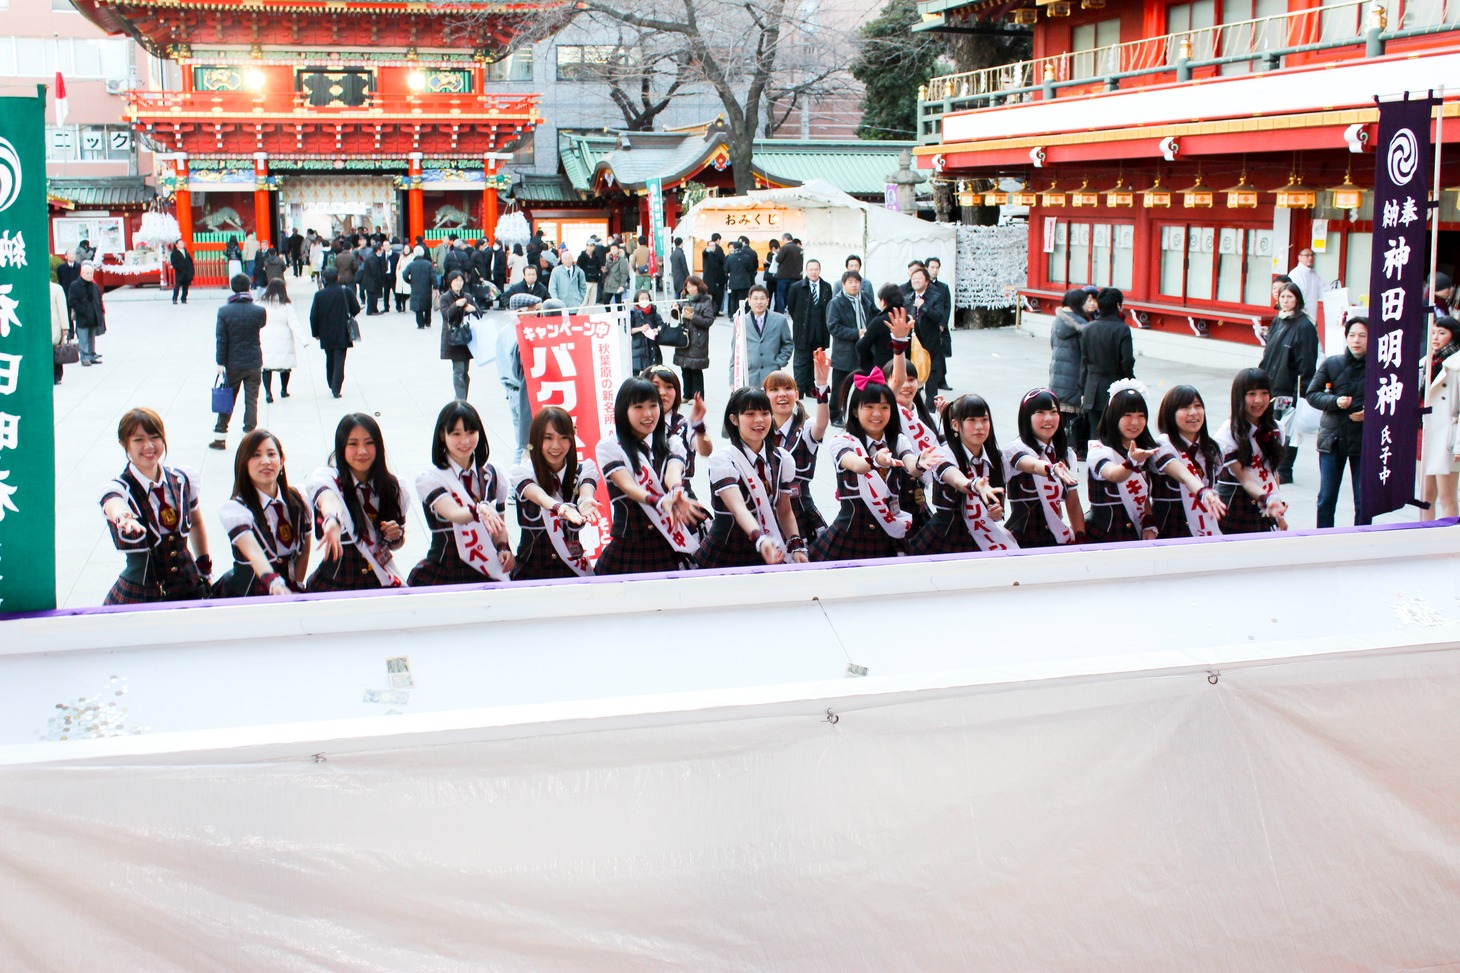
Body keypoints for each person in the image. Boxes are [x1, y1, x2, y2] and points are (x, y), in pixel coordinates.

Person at [810, 366, 936, 561]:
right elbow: (856, 464)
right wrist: (875, 460)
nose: (877, 413)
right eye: (869, 407)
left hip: (890, 534)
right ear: (854, 411)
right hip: (852, 533)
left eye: (884, 407)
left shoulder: (898, 440)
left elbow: (910, 463)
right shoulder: (842, 442)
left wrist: (920, 463)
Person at [98, 407, 213, 604]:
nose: (149, 446)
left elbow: (196, 523)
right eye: (138, 439)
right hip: (142, 594)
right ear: (123, 444)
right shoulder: (120, 487)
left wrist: (204, 567)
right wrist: (123, 517)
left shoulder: (182, 479)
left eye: (155, 437)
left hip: (189, 585)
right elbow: (113, 502)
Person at [594, 377, 706, 575]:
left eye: (653, 406)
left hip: (670, 546)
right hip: (630, 547)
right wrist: (661, 501)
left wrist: (676, 491)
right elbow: (628, 486)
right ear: (623, 411)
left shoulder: (671, 443)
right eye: (638, 407)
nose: (648, 414)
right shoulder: (610, 447)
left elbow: (673, 471)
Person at [1085, 382, 1221, 543]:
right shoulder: (1099, 451)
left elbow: (1144, 498)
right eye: (1127, 415)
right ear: (1113, 417)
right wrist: (1131, 463)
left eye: (1141, 416)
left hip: (1141, 535)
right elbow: (1113, 474)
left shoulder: (1147, 450)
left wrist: (1149, 524)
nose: (1135, 422)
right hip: (1104, 536)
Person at [697, 386, 808, 568]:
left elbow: (785, 510)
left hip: (769, 549)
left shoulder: (782, 459)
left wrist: (796, 545)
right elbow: (738, 508)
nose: (759, 420)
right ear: (733, 419)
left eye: (765, 413)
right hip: (727, 551)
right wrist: (760, 539)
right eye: (749, 414)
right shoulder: (723, 460)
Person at [408, 400, 514, 586]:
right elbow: (455, 514)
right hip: (443, 571)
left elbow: (499, 527)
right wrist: (480, 509)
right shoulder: (430, 478)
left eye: (471, 432)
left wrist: (503, 548)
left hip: (485, 571)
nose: (465, 441)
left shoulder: (493, 474)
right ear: (443, 435)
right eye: (456, 433)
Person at [304, 415, 409, 591]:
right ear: (341, 447)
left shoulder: (393, 487)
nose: (362, 451)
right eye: (353, 444)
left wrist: (396, 535)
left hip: (378, 580)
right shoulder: (329, 480)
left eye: (369, 443)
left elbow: (396, 544)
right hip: (336, 582)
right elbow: (328, 499)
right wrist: (332, 520)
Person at [907, 394, 1017, 556]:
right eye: (971, 420)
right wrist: (972, 485)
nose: (979, 426)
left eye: (984, 420)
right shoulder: (942, 454)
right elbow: (955, 478)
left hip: (980, 535)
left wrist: (996, 511)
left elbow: (996, 510)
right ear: (955, 425)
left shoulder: (996, 459)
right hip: (944, 537)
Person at [213, 429, 312, 597]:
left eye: (271, 454)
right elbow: (253, 551)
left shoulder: (298, 499)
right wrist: (273, 582)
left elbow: (304, 551)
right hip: (246, 595)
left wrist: (297, 584)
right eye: (256, 455)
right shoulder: (236, 510)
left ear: (282, 461)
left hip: (287, 592)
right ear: (244, 463)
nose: (265, 461)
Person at [509, 406, 602, 580]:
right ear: (536, 439)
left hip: (572, 571)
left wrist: (585, 500)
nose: (556, 446)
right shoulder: (522, 474)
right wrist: (560, 507)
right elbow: (539, 496)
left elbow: (586, 491)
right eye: (548, 438)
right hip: (530, 572)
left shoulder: (583, 471)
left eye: (563, 438)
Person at [1306, 316, 1369, 529]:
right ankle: (1323, 538)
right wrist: (1335, 402)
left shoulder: (1380, 367)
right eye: (1352, 335)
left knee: (1364, 499)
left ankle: (1362, 538)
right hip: (1333, 438)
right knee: (1327, 497)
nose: (1356, 340)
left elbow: (1390, 401)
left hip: (1363, 441)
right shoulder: (1332, 363)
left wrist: (1370, 413)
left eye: (1362, 335)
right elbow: (1312, 394)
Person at [1001, 388, 1086, 548]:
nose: (1049, 419)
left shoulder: (1066, 455)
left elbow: (1073, 503)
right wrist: (1051, 469)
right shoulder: (1014, 450)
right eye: (1040, 412)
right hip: (1021, 541)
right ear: (1027, 417)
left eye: (1053, 412)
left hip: (1056, 538)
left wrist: (1080, 538)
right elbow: (1030, 464)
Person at [765, 352, 832, 538]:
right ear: (765, 395)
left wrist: (821, 387)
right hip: (768, 512)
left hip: (800, 511)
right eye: (774, 389)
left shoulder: (806, 428)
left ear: (796, 393)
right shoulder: (760, 430)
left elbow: (821, 423)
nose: (781, 394)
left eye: (787, 388)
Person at [1215, 368, 1289, 533]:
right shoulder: (1227, 433)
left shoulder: (1277, 429)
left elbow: (1273, 474)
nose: (1259, 400)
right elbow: (1245, 479)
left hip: (1266, 508)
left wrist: (1279, 514)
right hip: (1236, 508)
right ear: (1239, 397)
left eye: (1264, 393)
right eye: (1251, 394)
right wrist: (1268, 499)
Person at [1259, 281, 1319, 482]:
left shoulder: (1304, 326)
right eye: (1282, 297)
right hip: (1271, 384)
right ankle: (1271, 465)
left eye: (1290, 297)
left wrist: (1299, 392)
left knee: (1288, 431)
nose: (1285, 301)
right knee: (1269, 426)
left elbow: (1307, 363)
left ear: (1298, 300)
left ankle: (1285, 470)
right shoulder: (1279, 320)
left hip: (1290, 386)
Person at [1153, 385, 1228, 538]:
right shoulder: (1162, 445)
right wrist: (1203, 492)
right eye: (1185, 407)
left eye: (1197, 406)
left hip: (1205, 527)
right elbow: (1183, 474)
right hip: (1170, 529)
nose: (1193, 413)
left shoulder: (1213, 449)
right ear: (1170, 413)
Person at [209, 273, 266, 450]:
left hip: (232, 363)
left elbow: (221, 339)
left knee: (228, 400)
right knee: (251, 400)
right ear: (249, 287)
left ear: (233, 288)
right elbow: (261, 325)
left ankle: (220, 437)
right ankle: (249, 435)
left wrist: (220, 363)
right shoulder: (258, 311)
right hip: (254, 362)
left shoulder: (224, 311)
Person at [643, 364, 711, 501]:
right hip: (644, 499)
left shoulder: (684, 425)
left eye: (669, 387)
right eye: (656, 386)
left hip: (681, 497)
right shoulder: (635, 425)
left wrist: (699, 425)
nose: (663, 392)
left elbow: (705, 449)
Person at [1079, 287, 1135, 444]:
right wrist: (1130, 381)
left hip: (1092, 386)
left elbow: (1084, 362)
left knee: (1094, 433)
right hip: (1114, 384)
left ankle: (1094, 465)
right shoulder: (1122, 329)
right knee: (1114, 432)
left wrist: (1082, 387)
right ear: (1118, 305)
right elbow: (1127, 361)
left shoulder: (1088, 329)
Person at [1050, 288, 1096, 459]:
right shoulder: (1082, 326)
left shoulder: (1057, 322)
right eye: (1086, 300)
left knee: (1063, 415)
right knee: (1075, 416)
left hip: (1058, 375)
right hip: (1074, 376)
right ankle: (1075, 448)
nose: (1089, 304)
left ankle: (1062, 446)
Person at [1422, 315, 1460, 519]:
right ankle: (1424, 538)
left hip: (1447, 437)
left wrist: (1459, 445)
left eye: (1442, 333)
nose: (1436, 337)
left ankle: (1451, 541)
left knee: (1447, 497)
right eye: (1434, 332)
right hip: (1425, 434)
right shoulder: (1426, 362)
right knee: (1425, 495)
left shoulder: (1456, 365)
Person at [826, 271, 875, 427]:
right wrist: (856, 333)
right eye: (850, 282)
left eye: (856, 282)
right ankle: (835, 415)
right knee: (840, 386)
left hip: (864, 351)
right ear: (843, 284)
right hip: (844, 352)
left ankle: (858, 413)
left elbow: (875, 315)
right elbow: (833, 327)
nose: (854, 285)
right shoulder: (836, 302)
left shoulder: (865, 299)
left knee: (863, 384)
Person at [307, 266, 359, 400]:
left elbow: (314, 316)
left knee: (329, 358)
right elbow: (356, 308)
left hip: (326, 332)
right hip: (342, 330)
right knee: (340, 359)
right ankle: (336, 387)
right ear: (338, 277)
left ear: (324, 279)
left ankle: (331, 382)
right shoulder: (345, 291)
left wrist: (315, 332)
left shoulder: (319, 295)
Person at [730, 285, 793, 388]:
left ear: (767, 301)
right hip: (749, 376)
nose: (759, 302)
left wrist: (779, 362)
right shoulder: (741, 321)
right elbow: (735, 352)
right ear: (749, 301)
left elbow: (788, 344)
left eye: (762, 298)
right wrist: (733, 380)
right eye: (755, 299)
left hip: (771, 375)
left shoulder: (779, 320)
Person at [258, 278, 308, 404]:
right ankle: (284, 390)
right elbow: (294, 323)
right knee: (285, 366)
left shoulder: (261, 303)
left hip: (265, 335)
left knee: (267, 367)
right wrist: (303, 340)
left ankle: (268, 393)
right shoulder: (286, 305)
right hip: (283, 336)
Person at [785, 259, 832, 396]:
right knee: (801, 361)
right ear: (806, 270)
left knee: (816, 361)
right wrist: (800, 322)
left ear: (820, 270)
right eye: (811, 269)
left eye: (816, 269)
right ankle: (799, 388)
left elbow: (829, 308)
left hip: (820, 331)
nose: (813, 272)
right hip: (803, 330)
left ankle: (811, 388)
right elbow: (792, 307)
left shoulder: (826, 287)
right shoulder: (797, 287)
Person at [902, 265, 949, 395]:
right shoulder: (907, 298)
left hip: (930, 342)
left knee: (931, 375)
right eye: (913, 278)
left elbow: (938, 316)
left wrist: (923, 307)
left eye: (919, 278)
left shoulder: (936, 297)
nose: (916, 281)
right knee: (912, 374)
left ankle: (931, 408)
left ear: (926, 281)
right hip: (912, 343)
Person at [674, 274, 715, 400]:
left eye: (693, 287)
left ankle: (698, 396)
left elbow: (708, 320)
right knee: (684, 368)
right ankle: (687, 394)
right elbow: (678, 317)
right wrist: (676, 310)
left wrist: (693, 317)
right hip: (684, 338)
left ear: (699, 287)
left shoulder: (705, 301)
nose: (690, 289)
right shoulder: (683, 299)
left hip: (698, 339)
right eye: (688, 287)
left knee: (696, 370)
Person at [439, 270, 478, 400]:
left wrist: (474, 309)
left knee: (465, 370)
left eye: (461, 280)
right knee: (459, 370)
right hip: (454, 338)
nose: (458, 283)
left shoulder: (467, 296)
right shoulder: (445, 297)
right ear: (450, 283)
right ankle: (460, 400)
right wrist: (456, 305)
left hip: (466, 338)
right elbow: (446, 315)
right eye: (456, 280)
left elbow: (479, 313)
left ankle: (463, 398)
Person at [857, 283, 906, 374]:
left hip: (883, 369)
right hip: (905, 367)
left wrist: (863, 336)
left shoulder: (879, 321)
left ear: (883, 301)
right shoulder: (907, 318)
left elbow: (861, 346)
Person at [67, 260, 106, 367]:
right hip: (83, 317)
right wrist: (83, 310)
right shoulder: (75, 286)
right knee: (83, 337)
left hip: (93, 316)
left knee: (91, 337)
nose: (89, 275)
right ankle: (84, 357)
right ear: (82, 273)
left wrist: (99, 313)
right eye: (87, 273)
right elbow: (72, 301)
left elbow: (98, 299)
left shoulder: (94, 286)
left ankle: (91, 354)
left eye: (91, 273)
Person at [629, 290, 666, 374]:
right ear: (637, 300)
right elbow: (628, 330)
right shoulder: (632, 313)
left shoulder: (654, 312)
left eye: (646, 298)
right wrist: (640, 329)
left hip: (652, 346)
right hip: (638, 346)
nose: (645, 300)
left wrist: (657, 329)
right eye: (642, 298)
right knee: (636, 373)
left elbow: (661, 325)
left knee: (653, 373)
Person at [1287, 246, 1324, 328]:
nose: (1310, 258)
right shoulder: (1295, 274)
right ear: (1299, 257)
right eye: (1307, 255)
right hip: (1299, 318)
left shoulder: (1314, 274)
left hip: (1312, 316)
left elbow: (1323, 290)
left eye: (1312, 255)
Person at [402, 245, 435, 329]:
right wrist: (435, 286)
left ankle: (420, 324)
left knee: (418, 306)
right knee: (427, 305)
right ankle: (428, 322)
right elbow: (433, 276)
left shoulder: (411, 265)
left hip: (415, 287)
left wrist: (409, 281)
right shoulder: (428, 264)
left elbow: (404, 274)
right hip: (426, 287)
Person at [724, 240, 757, 315]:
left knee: (733, 299)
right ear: (741, 247)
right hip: (744, 281)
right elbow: (750, 268)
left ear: (734, 248)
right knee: (743, 299)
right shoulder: (746, 257)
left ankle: (733, 314)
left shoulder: (730, 258)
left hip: (733, 281)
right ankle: (743, 314)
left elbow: (726, 269)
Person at [774, 232, 803, 313]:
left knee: (781, 295)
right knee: (792, 295)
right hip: (795, 276)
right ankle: (791, 310)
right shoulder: (799, 249)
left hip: (783, 275)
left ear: (785, 239)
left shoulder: (784, 248)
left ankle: (781, 311)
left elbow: (778, 259)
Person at [701, 234, 727, 315]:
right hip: (710, 279)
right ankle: (710, 312)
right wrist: (707, 249)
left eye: (713, 245)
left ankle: (714, 311)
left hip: (716, 278)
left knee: (716, 296)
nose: (713, 246)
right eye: (711, 245)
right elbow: (704, 253)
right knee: (711, 295)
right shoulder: (707, 252)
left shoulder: (717, 251)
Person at [50, 277, 68, 385]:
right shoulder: (35, 288)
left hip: (54, 325)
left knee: (56, 352)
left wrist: (64, 328)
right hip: (42, 327)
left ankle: (57, 375)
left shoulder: (56, 289)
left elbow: (62, 309)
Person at [602, 243, 631, 310]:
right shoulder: (608, 259)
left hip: (617, 283)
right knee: (606, 301)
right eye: (612, 249)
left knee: (618, 303)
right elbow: (607, 270)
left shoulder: (622, 260)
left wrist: (622, 285)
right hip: (609, 283)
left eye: (615, 248)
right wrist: (605, 270)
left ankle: (619, 318)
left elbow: (624, 274)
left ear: (618, 249)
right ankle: (610, 315)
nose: (613, 250)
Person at [360, 241, 385, 315]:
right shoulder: (372, 258)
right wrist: (378, 279)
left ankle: (374, 309)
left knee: (373, 296)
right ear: (378, 250)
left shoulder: (374, 256)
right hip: (371, 281)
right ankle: (371, 310)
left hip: (371, 280)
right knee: (372, 296)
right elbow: (374, 270)